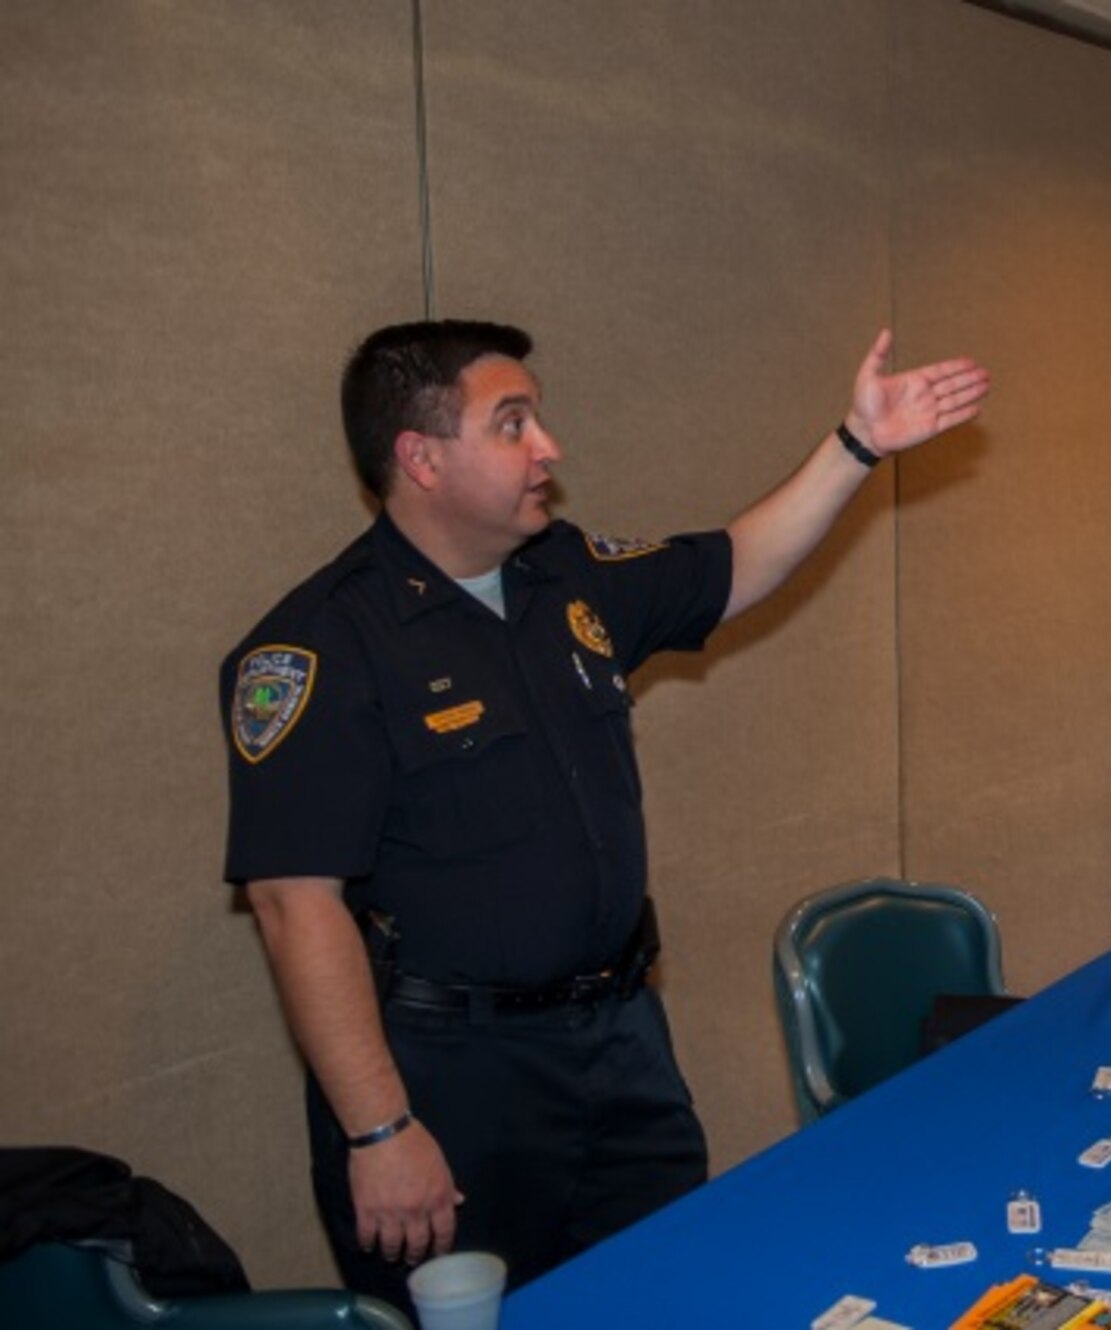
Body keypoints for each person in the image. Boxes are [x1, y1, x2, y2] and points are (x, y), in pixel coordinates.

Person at [221, 320, 989, 1310]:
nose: (549, 447)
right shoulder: (322, 649)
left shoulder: (565, 575)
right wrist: (379, 1130)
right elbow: (295, 906)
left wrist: (854, 447)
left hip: (620, 1043)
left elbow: (737, 564)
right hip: (458, 1080)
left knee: (674, 1294)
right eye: (512, 425)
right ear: (419, 457)